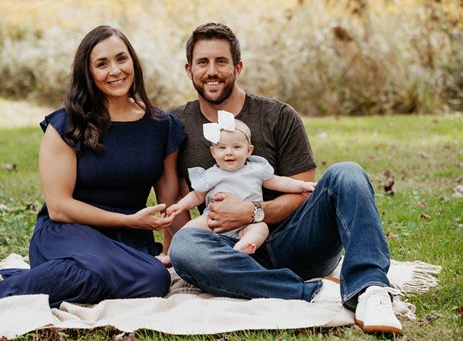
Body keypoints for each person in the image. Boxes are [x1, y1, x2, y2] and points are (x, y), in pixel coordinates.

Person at [167, 23, 403, 335]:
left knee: (347, 173)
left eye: (221, 61)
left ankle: (371, 290)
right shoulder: (178, 123)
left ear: (237, 67)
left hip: (297, 242)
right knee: (185, 245)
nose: (212, 71)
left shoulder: (278, 116)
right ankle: (312, 292)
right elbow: (178, 198)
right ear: (189, 69)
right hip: (231, 252)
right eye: (203, 62)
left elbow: (303, 193)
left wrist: (253, 212)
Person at [0, 25, 185, 308]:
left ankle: (8, 280)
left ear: (133, 61)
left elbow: (170, 206)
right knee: (107, 273)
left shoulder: (162, 126)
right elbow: (59, 207)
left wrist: (178, 253)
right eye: (102, 64)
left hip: (128, 242)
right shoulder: (67, 125)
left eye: (121, 58)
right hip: (67, 232)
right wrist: (129, 219)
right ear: (88, 73)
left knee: (155, 281)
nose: (115, 70)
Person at [166, 112, 316, 255]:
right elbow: (197, 195)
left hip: (247, 222)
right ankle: (172, 254)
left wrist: (302, 185)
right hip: (213, 220)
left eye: (236, 147)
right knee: (188, 230)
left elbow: (279, 182)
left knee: (261, 228)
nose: (229, 152)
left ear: (249, 150)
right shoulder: (211, 174)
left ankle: (243, 246)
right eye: (222, 148)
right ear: (213, 152)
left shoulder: (256, 169)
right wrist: (180, 206)